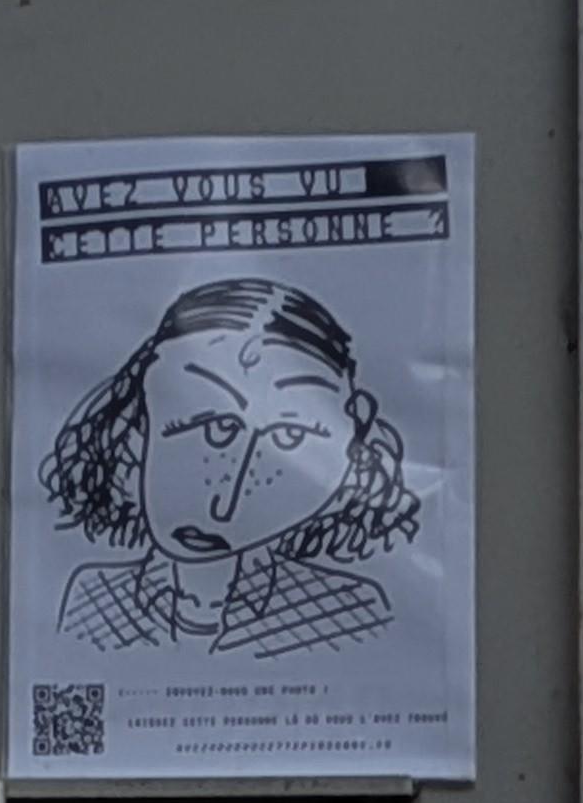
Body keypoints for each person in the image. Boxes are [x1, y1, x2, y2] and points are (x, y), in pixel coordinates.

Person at [42, 272, 419, 656]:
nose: (226, 503)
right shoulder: (91, 602)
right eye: (215, 428)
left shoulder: (352, 614)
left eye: (289, 437)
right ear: (137, 420)